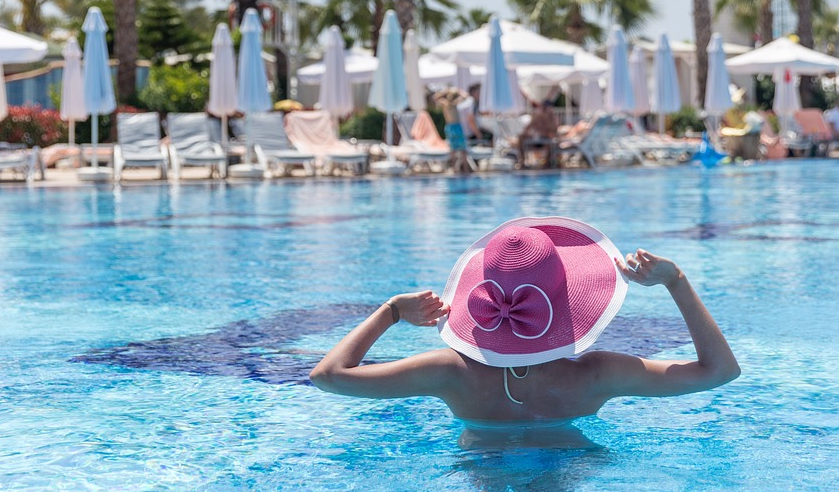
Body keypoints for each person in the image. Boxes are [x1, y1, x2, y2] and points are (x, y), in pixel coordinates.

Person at [310, 216, 740, 428]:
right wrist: (676, 282)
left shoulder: (448, 374)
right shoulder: (598, 375)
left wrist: (390, 312)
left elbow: (329, 376)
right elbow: (720, 371)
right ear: (571, 299)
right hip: (569, 486)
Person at [432, 87, 475, 174]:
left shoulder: (444, 103)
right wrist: (459, 91)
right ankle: (465, 169)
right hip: (456, 127)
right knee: (462, 150)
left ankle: (452, 168)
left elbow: (435, 97)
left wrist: (445, 92)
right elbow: (466, 96)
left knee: (453, 150)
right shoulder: (454, 103)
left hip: (449, 128)